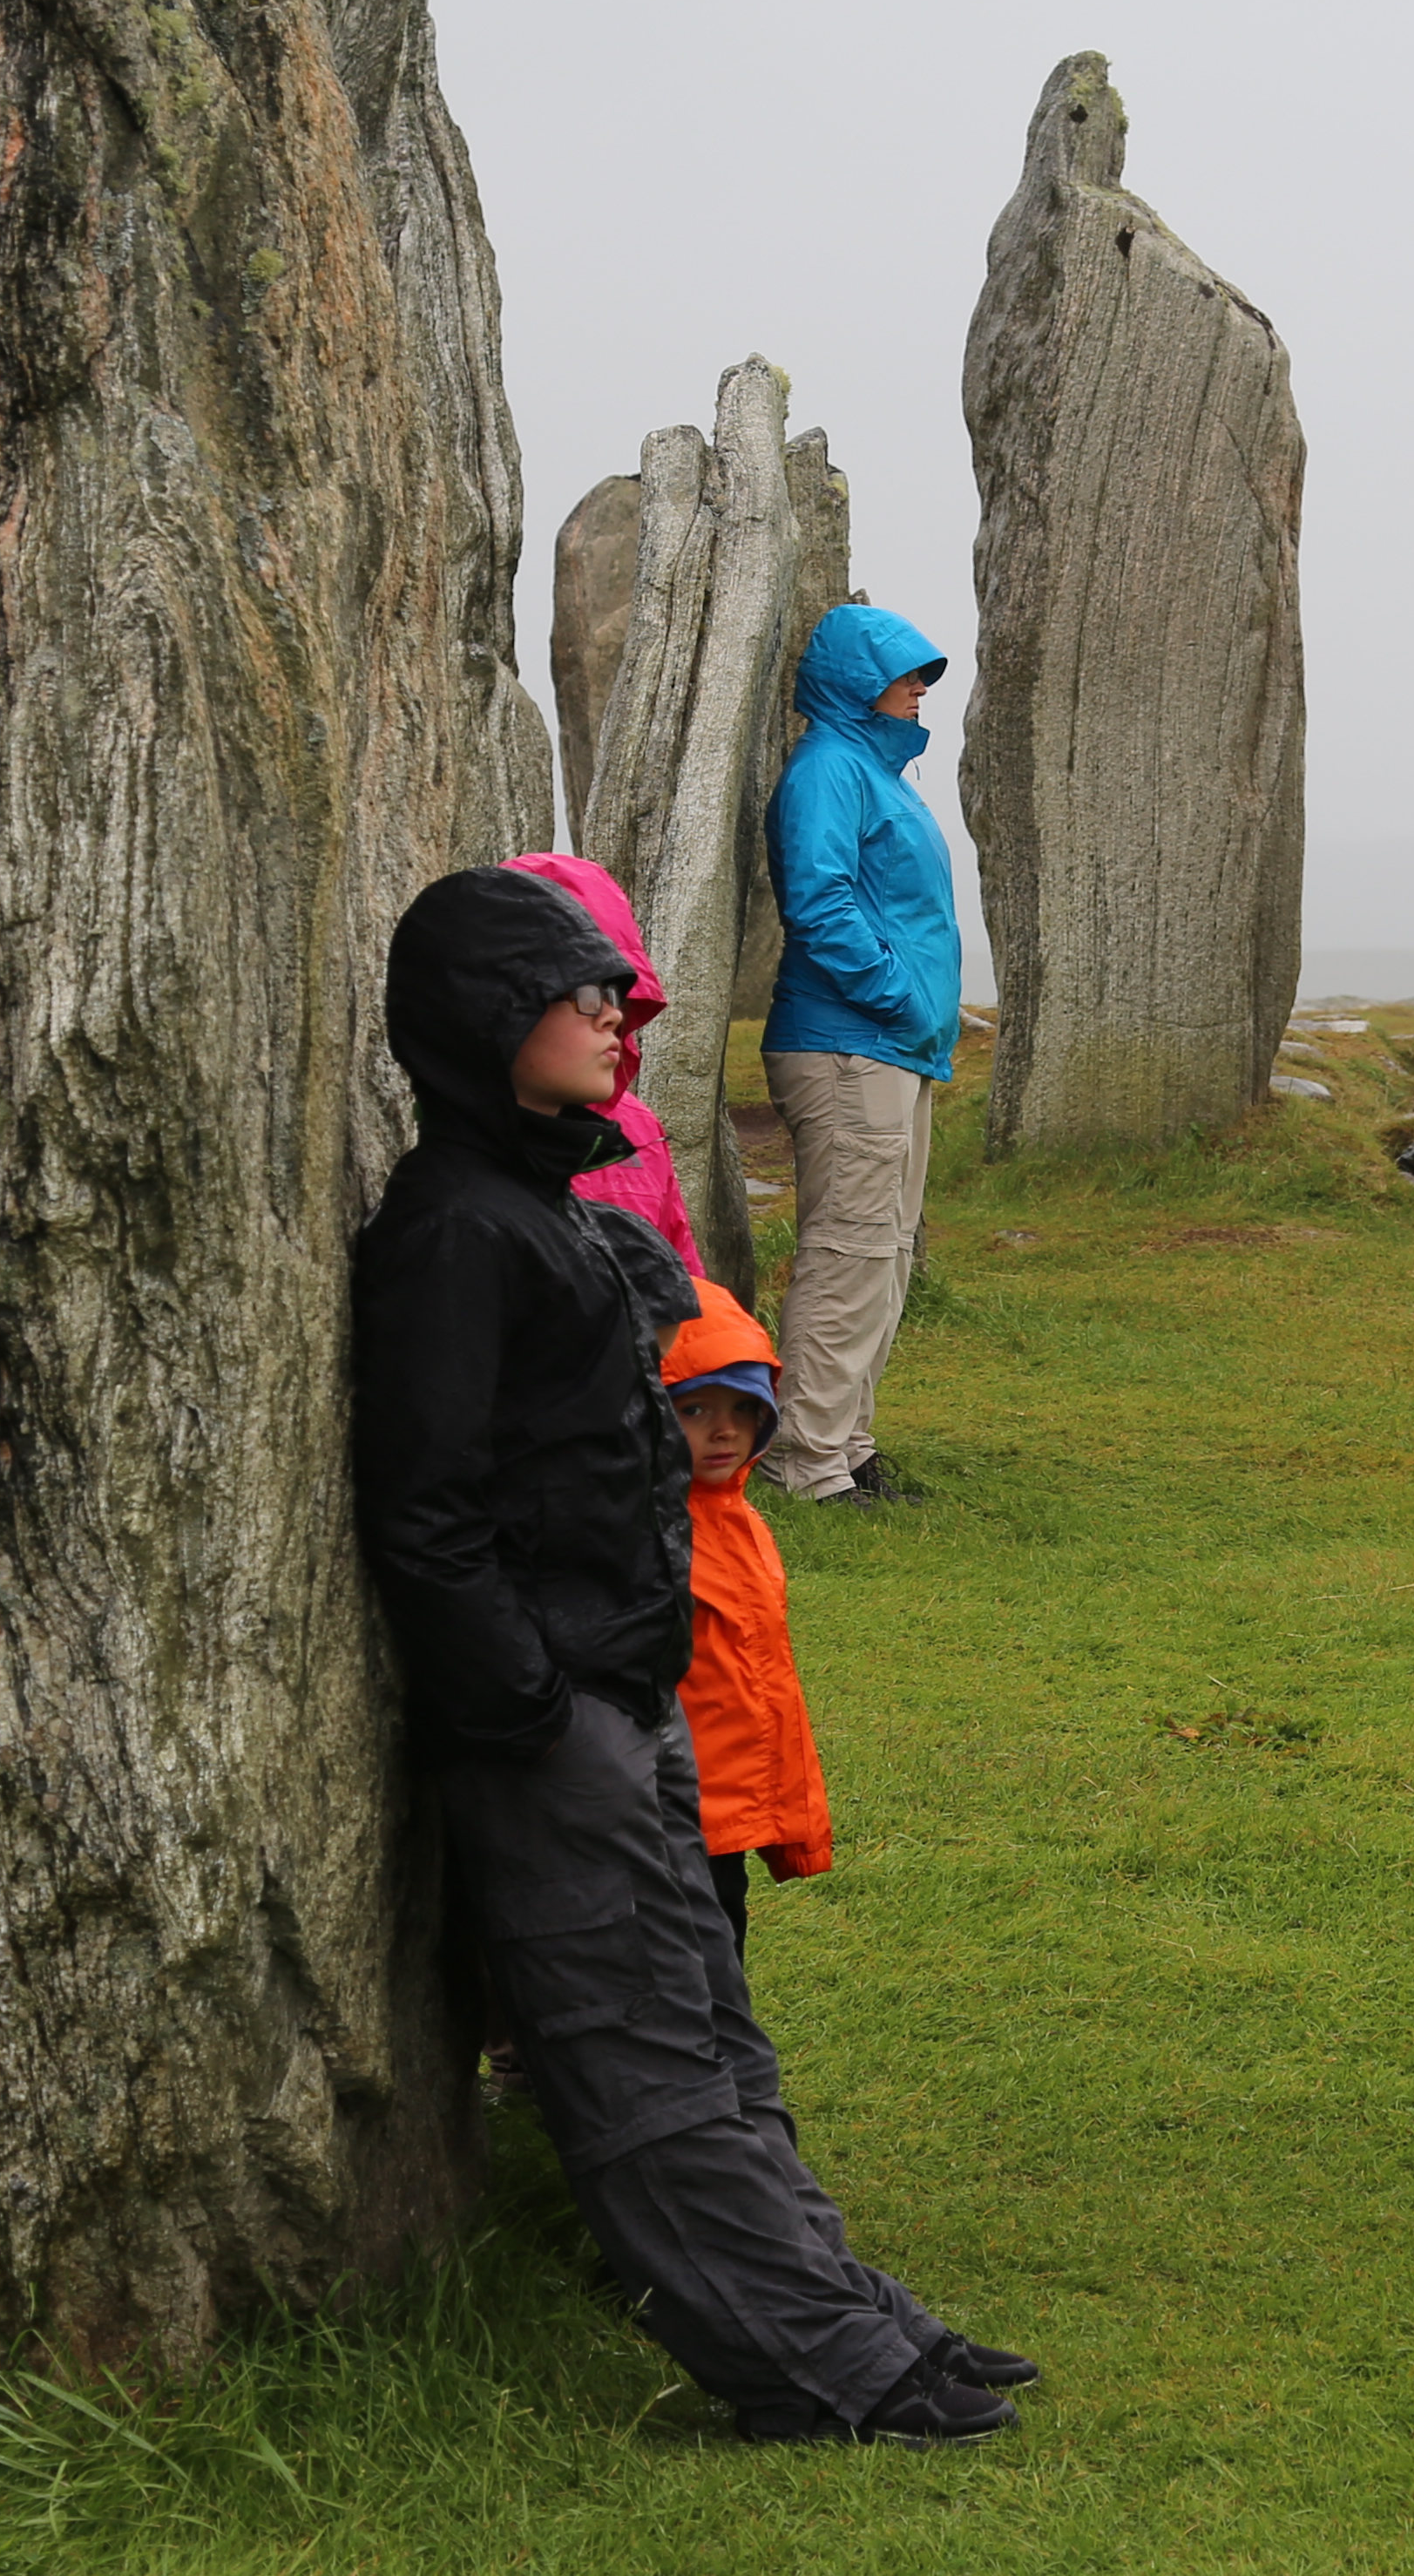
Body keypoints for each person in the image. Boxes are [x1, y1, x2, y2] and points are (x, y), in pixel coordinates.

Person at [350, 862, 1031, 2445]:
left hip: (625, 1685)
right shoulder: (453, 1229)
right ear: (483, 1016)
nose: (615, 1013)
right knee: (638, 2049)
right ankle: (818, 2372)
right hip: (557, 1714)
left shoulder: (542, 1203)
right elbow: (426, 1507)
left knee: (712, 2022)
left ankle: (865, 2323)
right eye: (577, 991)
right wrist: (529, 1700)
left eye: (612, 989)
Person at [757, 605, 963, 1508]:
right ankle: (806, 1464)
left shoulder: (872, 773)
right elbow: (821, 903)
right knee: (850, 1251)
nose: (921, 690)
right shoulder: (829, 772)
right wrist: (901, 998)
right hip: (848, 1047)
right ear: (855, 681)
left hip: (889, 1048)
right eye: (907, 673)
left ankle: (847, 1448)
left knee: (886, 1253)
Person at [656, 1277, 836, 1970]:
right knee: (679, 1969)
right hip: (665, 1807)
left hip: (722, 1807)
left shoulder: (736, 1519)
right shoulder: (643, 1525)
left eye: (743, 1407)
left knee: (716, 1957)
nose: (724, 1430)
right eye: (694, 1408)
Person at [503, 849, 703, 1278]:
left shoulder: (638, 1131)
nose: (612, 1015)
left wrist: (731, 1347)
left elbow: (691, 1294)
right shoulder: (453, 1145)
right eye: (586, 993)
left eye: (616, 993)